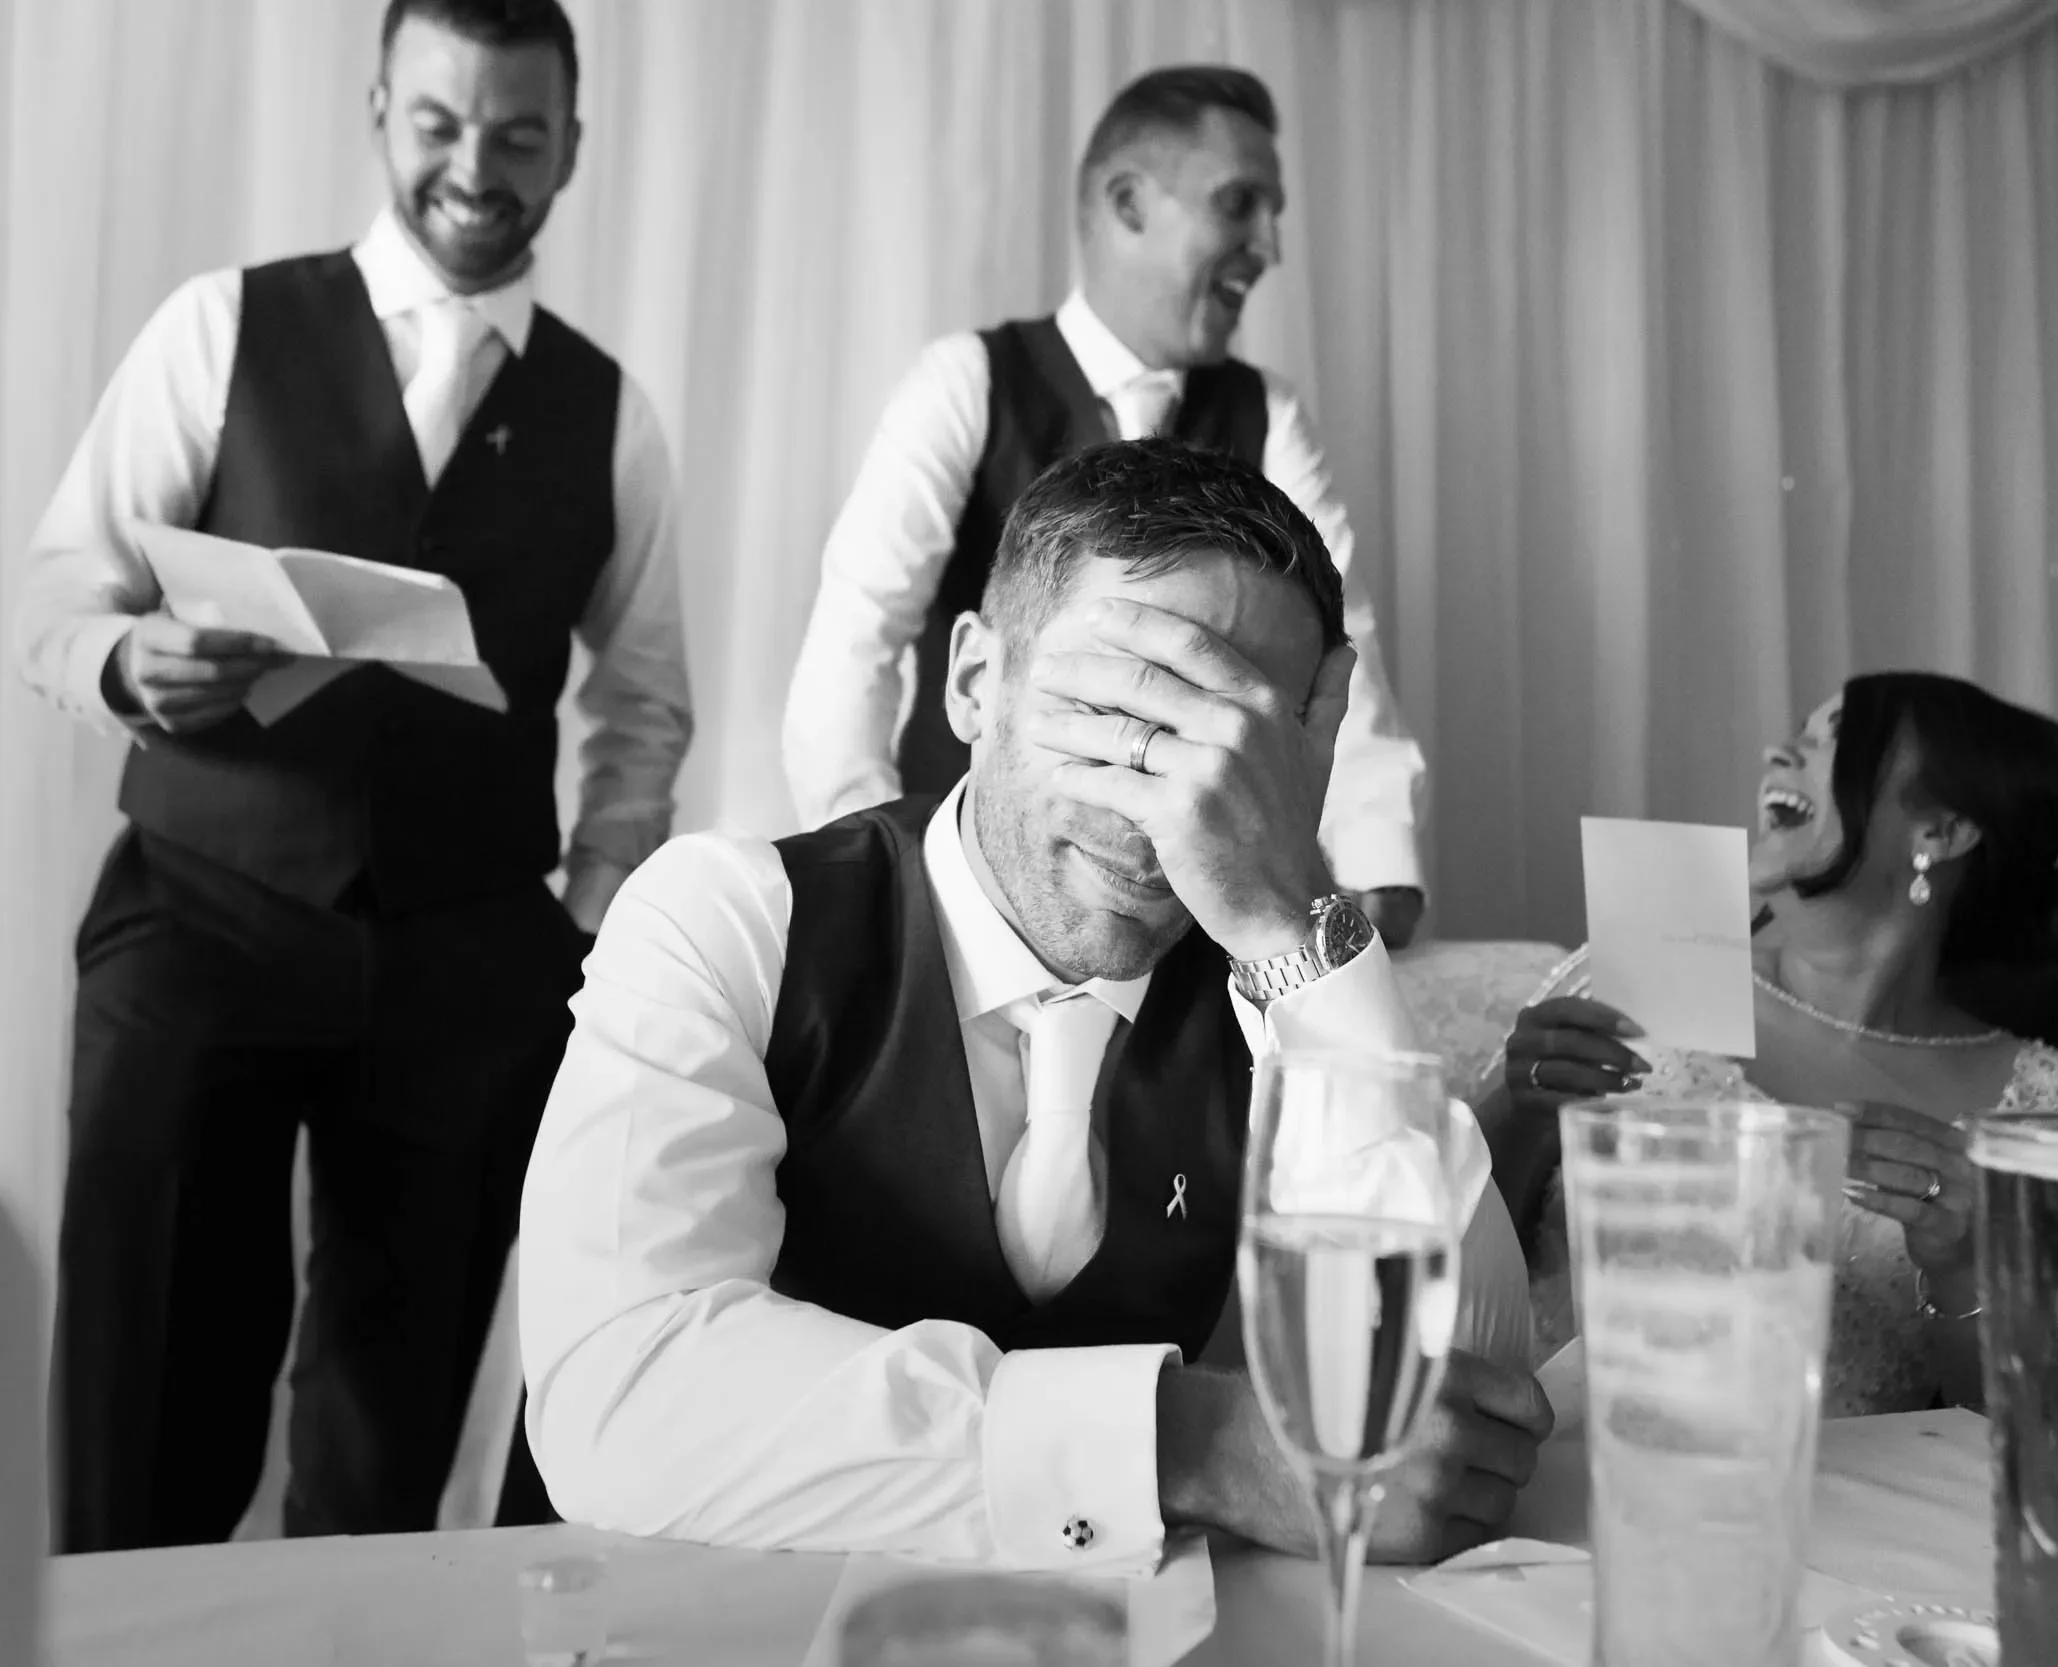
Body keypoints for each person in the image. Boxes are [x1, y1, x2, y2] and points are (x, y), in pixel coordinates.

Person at [521, 440, 1542, 1568]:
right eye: (1113, 707)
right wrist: (1196, 1444)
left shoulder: (1275, 984)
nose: (1165, 796)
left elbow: (1460, 1401)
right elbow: (619, 1387)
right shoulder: (729, 921)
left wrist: (1294, 928)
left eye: (1236, 748)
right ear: (975, 681)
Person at [13, 0, 691, 1549]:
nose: (478, 168)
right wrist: (125, 660)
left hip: (468, 958)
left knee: (385, 1451)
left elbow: (645, 702)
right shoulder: (220, 324)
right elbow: (56, 586)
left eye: (520, 134)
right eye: (441, 123)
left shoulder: (613, 415)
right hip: (203, 908)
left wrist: (584, 924)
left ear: (572, 147)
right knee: (145, 1410)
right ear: (380, 109)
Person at [780, 64, 1430, 949]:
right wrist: (879, 882)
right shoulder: (965, 383)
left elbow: (1347, 650)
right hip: (969, 898)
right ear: (1129, 203)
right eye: (1240, 204)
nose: (1270, 246)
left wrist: (1379, 864)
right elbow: (854, 644)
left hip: (1185, 916)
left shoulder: (1269, 413)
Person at [1485, 673, 2058, 1413]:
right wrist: (1517, 1111)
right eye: (1799, 732)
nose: (1778, 752)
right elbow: (1446, 1250)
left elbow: (2046, 1424)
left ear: (1941, 832)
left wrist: (1962, 1272)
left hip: (1845, 1484)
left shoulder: (2043, 1112)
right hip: (1560, 1457)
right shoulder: (1633, 978)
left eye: (1837, 740)